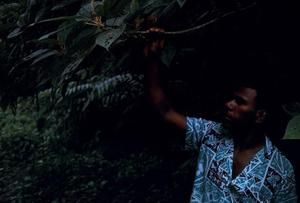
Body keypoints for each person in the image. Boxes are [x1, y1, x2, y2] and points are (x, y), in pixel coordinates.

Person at [143, 28, 297, 202]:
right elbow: (166, 112)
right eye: (231, 98)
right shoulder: (211, 134)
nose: (228, 104)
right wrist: (152, 59)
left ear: (260, 115)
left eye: (239, 102)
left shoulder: (280, 171)